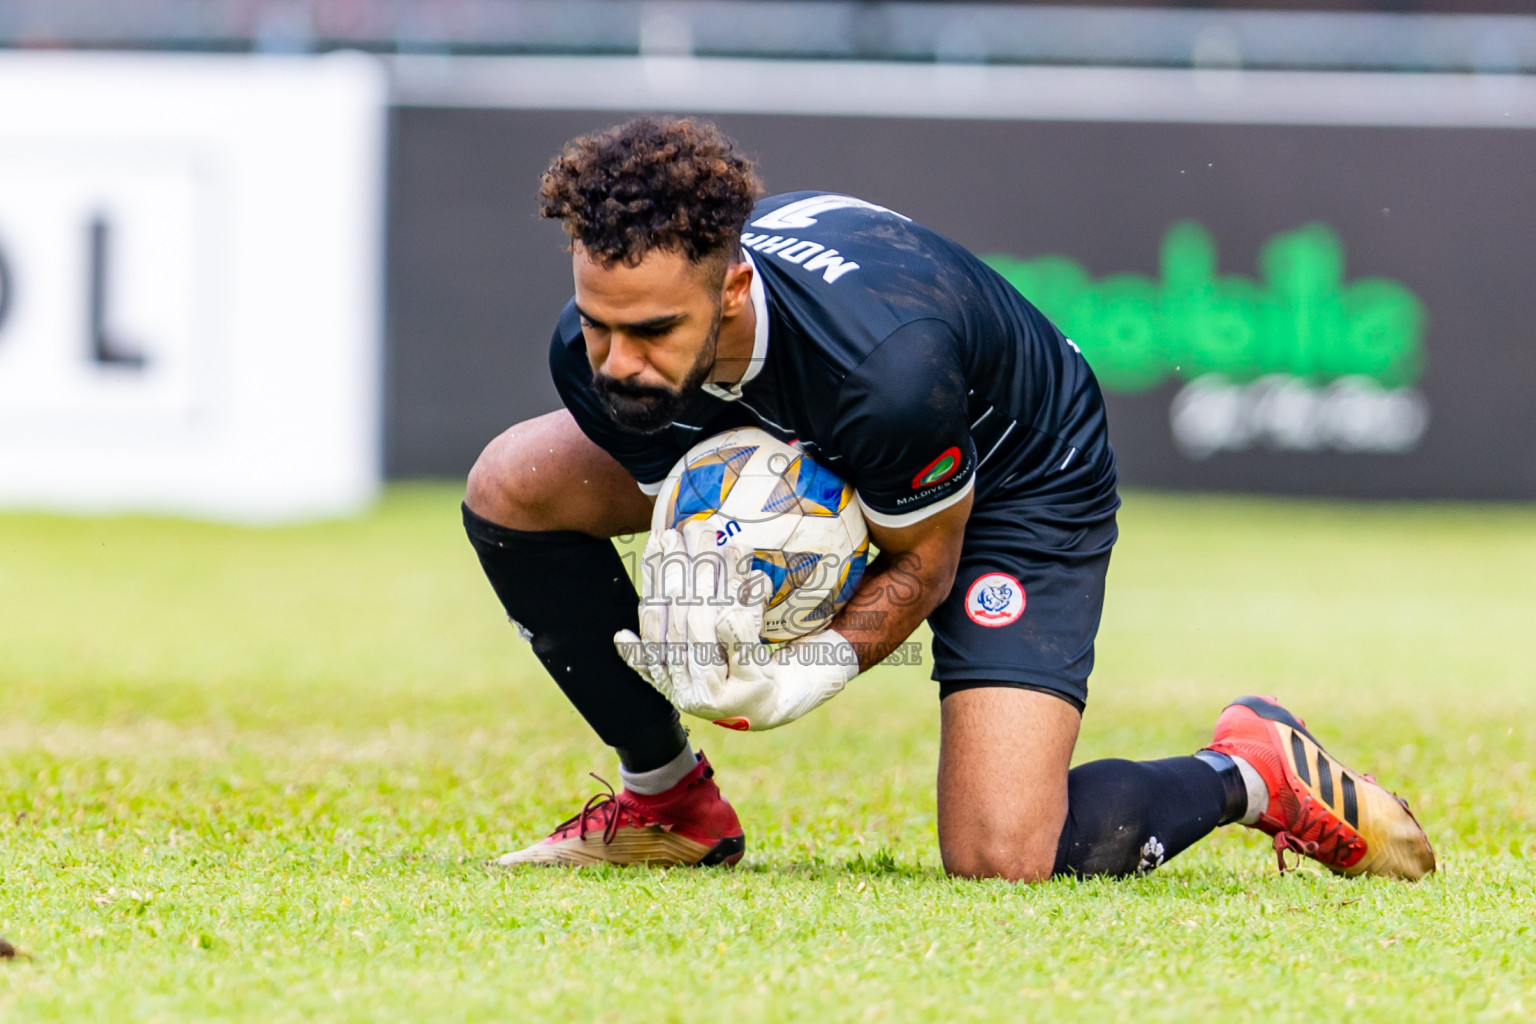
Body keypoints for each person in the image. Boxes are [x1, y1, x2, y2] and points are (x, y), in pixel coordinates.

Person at [462, 116, 1434, 880]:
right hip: (807, 427)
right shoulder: (591, 353)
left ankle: (1248, 771)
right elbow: (690, 495)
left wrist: (801, 672)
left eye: (650, 330)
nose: (617, 361)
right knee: (515, 483)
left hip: (1016, 464)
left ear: (730, 287)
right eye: (600, 324)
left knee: (1002, 856)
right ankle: (666, 803)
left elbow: (924, 563)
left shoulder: (887, 369)